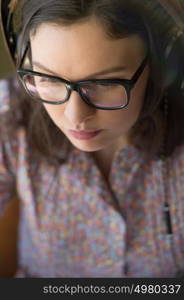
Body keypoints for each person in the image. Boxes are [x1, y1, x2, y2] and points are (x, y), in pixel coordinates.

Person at [0, 0, 184, 278]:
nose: (75, 116)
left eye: (105, 83)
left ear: (161, 64)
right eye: (47, 78)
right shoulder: (10, 110)